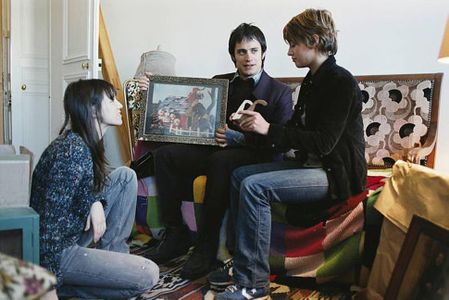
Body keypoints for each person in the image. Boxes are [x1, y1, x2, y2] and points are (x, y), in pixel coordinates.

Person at [214, 9, 367, 300]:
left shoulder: (340, 81)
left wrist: (269, 128)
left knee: (254, 186)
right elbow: (291, 132)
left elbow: (323, 143)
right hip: (310, 165)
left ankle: (254, 285)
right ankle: (240, 262)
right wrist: (255, 127)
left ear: (314, 41)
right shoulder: (311, 80)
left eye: (293, 44)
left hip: (334, 173)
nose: (288, 51)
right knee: (238, 176)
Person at [137, 23, 293, 279]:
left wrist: (240, 139)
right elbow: (185, 104)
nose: (248, 57)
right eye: (241, 51)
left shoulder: (280, 92)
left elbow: (282, 141)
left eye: (254, 50)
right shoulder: (218, 83)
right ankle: (176, 233)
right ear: (233, 55)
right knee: (165, 155)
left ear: (264, 52)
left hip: (257, 154)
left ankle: (206, 246)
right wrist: (151, 90)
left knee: (221, 161)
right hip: (216, 150)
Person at [30, 79, 159, 299]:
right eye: (111, 99)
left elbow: (82, 187)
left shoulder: (82, 144)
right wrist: (47, 285)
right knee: (147, 275)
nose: (119, 105)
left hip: (71, 234)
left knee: (125, 176)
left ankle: (112, 257)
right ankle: (65, 287)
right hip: (58, 251)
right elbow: (49, 227)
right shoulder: (71, 152)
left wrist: (95, 201)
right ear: (91, 108)